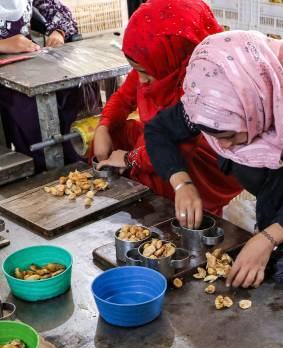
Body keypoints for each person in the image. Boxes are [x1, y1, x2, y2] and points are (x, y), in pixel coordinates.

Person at [145, 30, 283, 287]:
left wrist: (267, 238)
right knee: (274, 231)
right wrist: (182, 184)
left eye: (229, 135)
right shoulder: (213, 94)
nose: (223, 145)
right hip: (275, 170)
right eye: (216, 136)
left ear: (254, 106)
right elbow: (158, 131)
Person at [93, 0, 242, 216]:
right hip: (165, 140)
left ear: (172, 55)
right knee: (121, 131)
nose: (141, 80)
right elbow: (124, 98)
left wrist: (129, 158)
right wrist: (104, 126)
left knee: (155, 161)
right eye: (137, 71)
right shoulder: (159, 60)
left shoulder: (203, 79)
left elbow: (179, 147)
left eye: (145, 72)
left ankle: (174, 213)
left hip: (206, 161)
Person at [0, 0, 80, 172]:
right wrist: (4, 44)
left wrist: (58, 32)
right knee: (28, 106)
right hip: (6, 77)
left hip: (27, 63)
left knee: (70, 88)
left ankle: (76, 164)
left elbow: (58, 10)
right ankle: (45, 171)